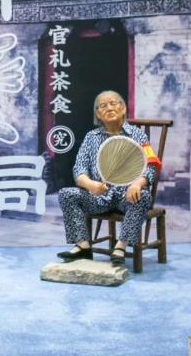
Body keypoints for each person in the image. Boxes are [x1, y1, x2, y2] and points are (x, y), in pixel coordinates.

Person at [57, 90, 158, 266]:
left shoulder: (138, 135)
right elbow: (79, 169)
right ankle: (82, 246)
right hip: (99, 196)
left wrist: (138, 183)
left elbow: (151, 165)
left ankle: (121, 246)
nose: (109, 108)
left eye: (113, 103)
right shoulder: (91, 137)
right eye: (103, 106)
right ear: (98, 114)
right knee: (67, 194)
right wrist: (90, 184)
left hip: (127, 196)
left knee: (143, 196)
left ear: (123, 108)